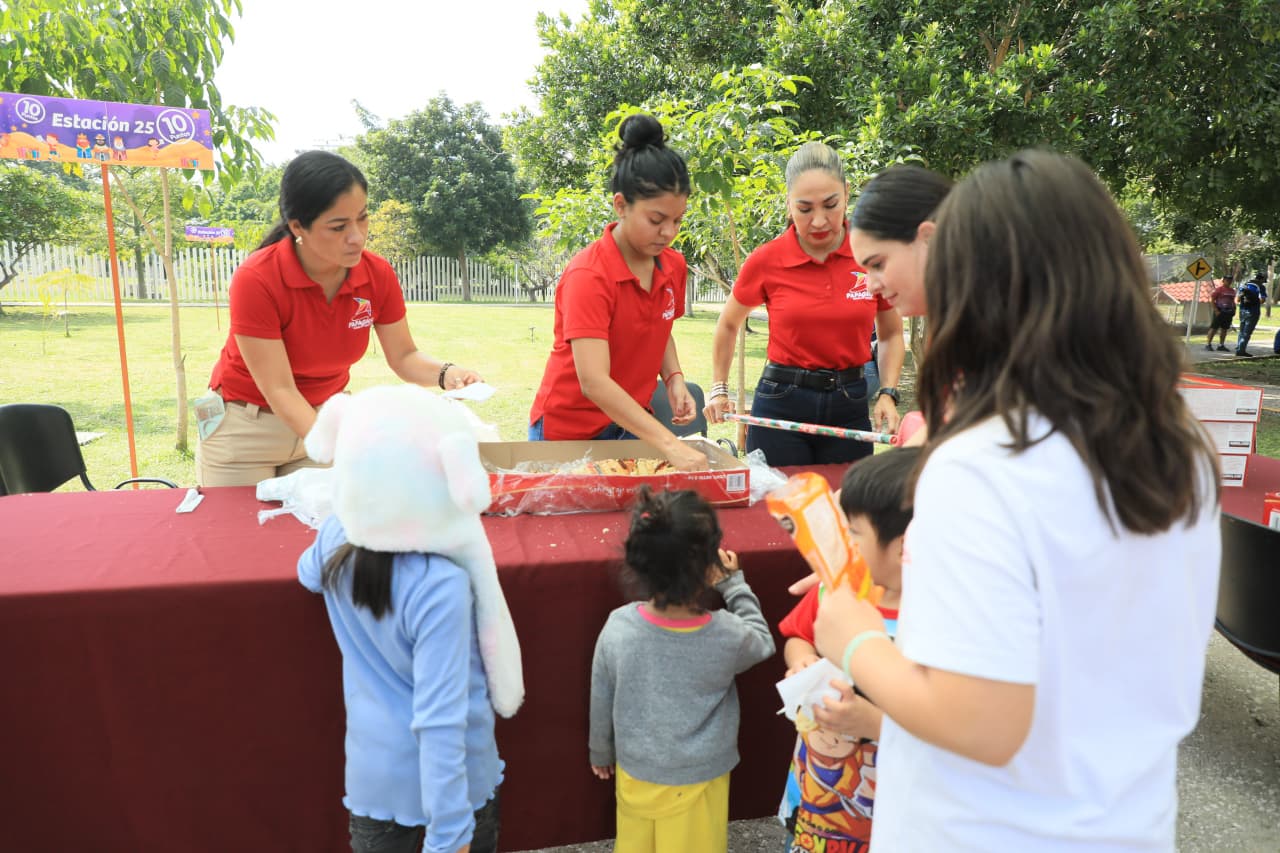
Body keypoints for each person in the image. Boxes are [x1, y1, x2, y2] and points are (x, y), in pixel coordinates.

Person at [813, 150, 1221, 851]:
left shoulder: (984, 464)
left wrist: (853, 638)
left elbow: (980, 721)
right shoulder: (1180, 450)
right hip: (1125, 823)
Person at [298, 384, 524, 853]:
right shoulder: (441, 582)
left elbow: (308, 573)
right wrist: (450, 835)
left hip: (374, 778)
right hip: (456, 792)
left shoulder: (338, 534)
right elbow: (441, 719)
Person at [197, 150, 481, 487]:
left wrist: (447, 374)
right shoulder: (257, 279)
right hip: (246, 431)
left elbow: (404, 356)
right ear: (297, 226)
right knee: (237, 534)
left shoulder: (376, 274)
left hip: (327, 418)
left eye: (362, 218)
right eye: (338, 226)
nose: (357, 236)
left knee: (329, 533)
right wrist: (344, 447)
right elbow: (280, 389)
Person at [589, 487, 775, 852]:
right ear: (710, 568)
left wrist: (600, 750)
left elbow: (602, 692)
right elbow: (763, 642)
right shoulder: (727, 634)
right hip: (700, 777)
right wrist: (734, 584)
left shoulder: (618, 626)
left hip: (635, 770)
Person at [704, 142, 906, 467]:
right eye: (805, 208)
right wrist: (718, 388)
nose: (819, 221)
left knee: (845, 509)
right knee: (774, 510)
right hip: (781, 401)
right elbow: (729, 324)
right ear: (788, 205)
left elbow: (892, 334)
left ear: (847, 193)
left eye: (830, 205)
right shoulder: (767, 260)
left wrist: (887, 392)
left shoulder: (870, 255)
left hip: (849, 404)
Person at [528, 114, 706, 471]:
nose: (668, 232)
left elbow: (660, 327)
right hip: (569, 432)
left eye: (678, 220)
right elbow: (593, 381)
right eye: (656, 220)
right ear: (621, 205)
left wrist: (673, 379)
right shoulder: (589, 275)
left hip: (630, 426)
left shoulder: (672, 265)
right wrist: (669, 443)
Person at [776, 447, 920, 853]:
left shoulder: (933, 625)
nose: (843, 545)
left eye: (853, 533)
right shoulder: (837, 590)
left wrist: (871, 722)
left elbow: (949, 725)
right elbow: (797, 635)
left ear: (904, 545)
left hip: (884, 815)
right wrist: (800, 660)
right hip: (813, 798)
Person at [1235, 272, 1265, 356]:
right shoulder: (1260, 287)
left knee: (1241, 331)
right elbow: (1262, 300)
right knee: (1247, 332)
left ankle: (1239, 347)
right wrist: (1255, 301)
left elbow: (1237, 299)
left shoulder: (1245, 285)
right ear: (1262, 279)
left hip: (1242, 311)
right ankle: (1241, 351)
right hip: (1253, 311)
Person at [1206, 275, 1236, 351]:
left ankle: (1221, 345)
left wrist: (1234, 309)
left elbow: (1233, 301)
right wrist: (1216, 310)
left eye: (1230, 280)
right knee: (1214, 328)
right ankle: (1208, 344)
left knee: (1224, 329)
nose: (1229, 281)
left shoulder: (1232, 290)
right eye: (1227, 280)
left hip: (1229, 312)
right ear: (1223, 281)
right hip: (1220, 311)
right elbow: (1212, 300)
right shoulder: (1219, 290)